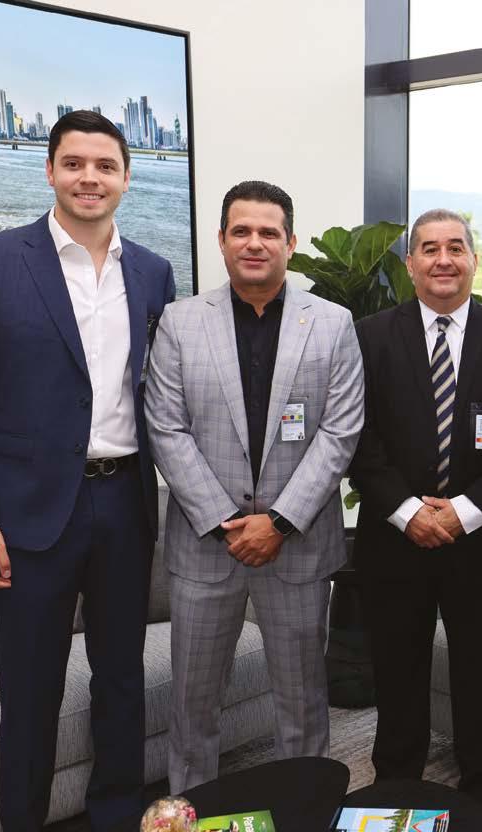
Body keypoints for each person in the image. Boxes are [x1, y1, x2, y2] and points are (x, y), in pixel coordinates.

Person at [0, 110, 176, 832]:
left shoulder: (153, 272)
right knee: (32, 689)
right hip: (28, 516)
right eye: (74, 163)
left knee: (123, 679)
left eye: (105, 165)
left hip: (126, 504)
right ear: (49, 171)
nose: (89, 178)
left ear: (126, 178)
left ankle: (114, 817)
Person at [145, 180, 364, 791]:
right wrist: (226, 523)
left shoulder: (333, 324)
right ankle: (192, 816)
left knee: (303, 704)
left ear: (290, 243)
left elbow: (341, 431)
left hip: (297, 547)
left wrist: (280, 522)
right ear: (221, 240)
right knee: (193, 706)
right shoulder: (182, 322)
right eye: (241, 231)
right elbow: (165, 427)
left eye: (269, 232)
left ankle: (306, 808)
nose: (254, 243)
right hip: (205, 547)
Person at [350, 209, 482, 810]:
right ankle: (396, 795)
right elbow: (356, 437)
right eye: (429, 248)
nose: (443, 259)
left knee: (480, 675)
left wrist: (465, 511)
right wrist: (408, 511)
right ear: (410, 263)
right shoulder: (369, 336)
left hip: (480, 541)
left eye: (455, 247)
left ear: (474, 259)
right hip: (394, 539)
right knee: (397, 675)